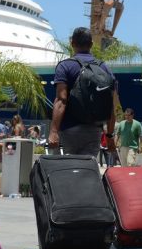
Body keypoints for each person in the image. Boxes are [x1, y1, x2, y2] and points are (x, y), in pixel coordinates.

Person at [49, 27, 117, 157]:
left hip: (68, 130)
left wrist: (53, 131)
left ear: (72, 43)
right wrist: (109, 136)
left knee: (64, 171)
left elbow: (61, 100)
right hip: (94, 132)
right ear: (91, 44)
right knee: (87, 171)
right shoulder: (104, 68)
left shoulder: (65, 66)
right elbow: (110, 106)